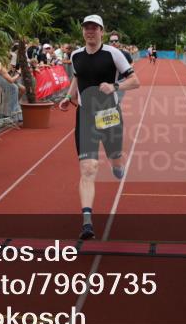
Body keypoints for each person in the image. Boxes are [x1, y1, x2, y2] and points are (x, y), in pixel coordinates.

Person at [57, 15, 140, 240]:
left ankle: (117, 163)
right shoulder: (75, 56)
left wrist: (114, 86)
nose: (90, 32)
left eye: (94, 28)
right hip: (85, 116)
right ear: (83, 31)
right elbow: (77, 78)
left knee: (115, 156)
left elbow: (135, 81)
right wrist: (68, 96)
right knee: (89, 168)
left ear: (101, 31)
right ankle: (87, 222)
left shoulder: (114, 54)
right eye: (86, 28)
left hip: (109, 115)